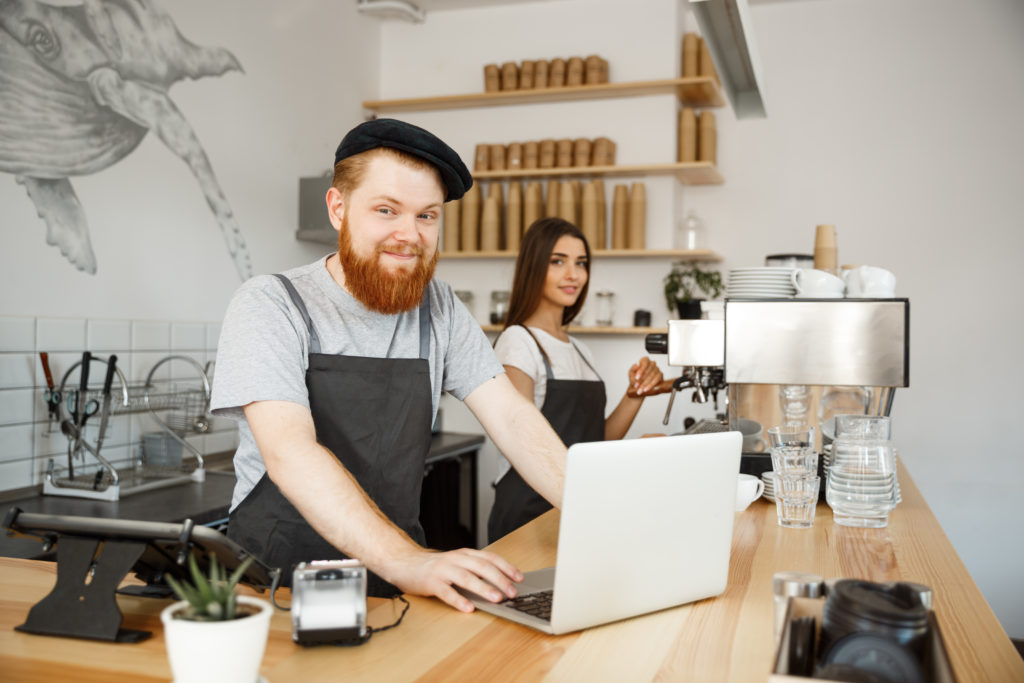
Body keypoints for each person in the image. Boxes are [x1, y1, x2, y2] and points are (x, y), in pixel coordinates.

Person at [210, 118, 568, 612]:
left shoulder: (438, 307)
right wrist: (409, 560)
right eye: (386, 210)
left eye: (427, 216)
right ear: (338, 208)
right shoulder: (271, 304)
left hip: (391, 585)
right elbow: (290, 451)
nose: (410, 235)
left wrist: (593, 508)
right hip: (277, 586)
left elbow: (510, 414)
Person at [487, 217, 671, 543]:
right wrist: (632, 457)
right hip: (529, 514)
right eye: (558, 262)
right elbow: (521, 444)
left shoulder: (581, 350)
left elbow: (595, 441)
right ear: (534, 267)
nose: (574, 275)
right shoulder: (518, 341)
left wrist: (635, 395)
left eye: (581, 263)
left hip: (575, 505)